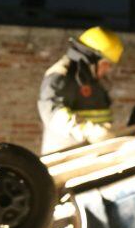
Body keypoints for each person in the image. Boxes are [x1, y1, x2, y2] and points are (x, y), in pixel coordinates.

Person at [38, 26, 123, 154]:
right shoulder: (60, 76)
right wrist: (89, 131)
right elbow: (52, 112)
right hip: (65, 157)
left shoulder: (91, 78)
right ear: (92, 58)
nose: (107, 69)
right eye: (106, 64)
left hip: (93, 153)